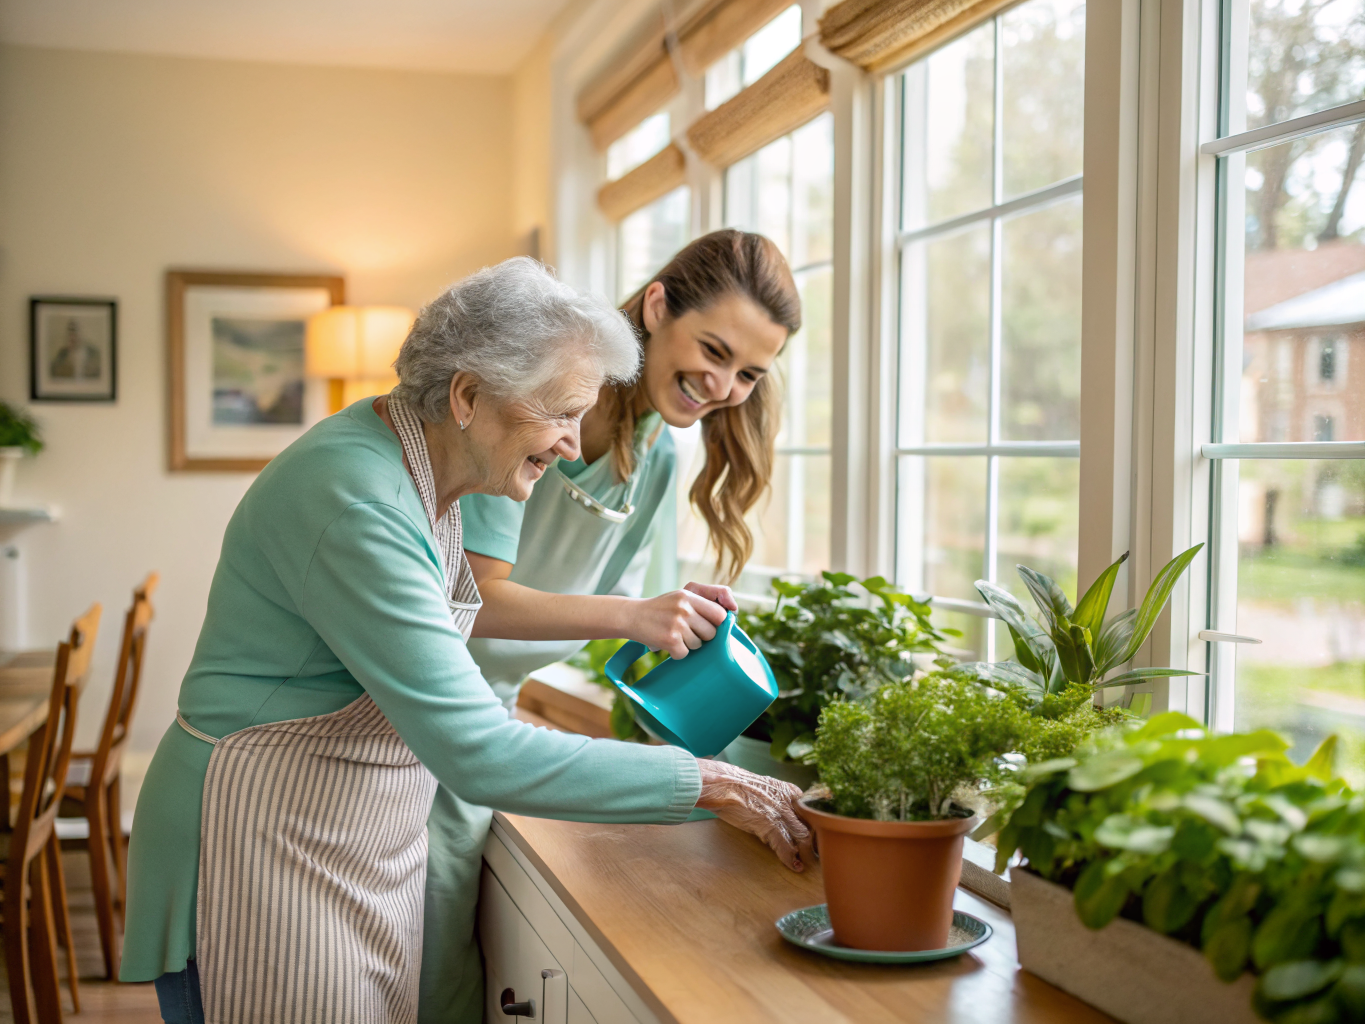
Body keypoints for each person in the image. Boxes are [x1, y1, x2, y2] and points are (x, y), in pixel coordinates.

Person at [120, 258, 812, 1024]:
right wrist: (710, 783)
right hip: (252, 842)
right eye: (560, 414)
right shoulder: (357, 500)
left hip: (332, 833)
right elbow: (476, 751)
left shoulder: (427, 478)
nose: (573, 448)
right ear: (467, 396)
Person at [419, 231, 801, 1022]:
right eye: (714, 349)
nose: (724, 384)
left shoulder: (654, 453)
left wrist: (671, 617)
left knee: (446, 970)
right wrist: (634, 615)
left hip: (496, 717)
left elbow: (604, 604)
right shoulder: (534, 405)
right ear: (657, 307)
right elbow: (470, 599)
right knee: (421, 971)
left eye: (749, 373)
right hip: (427, 716)